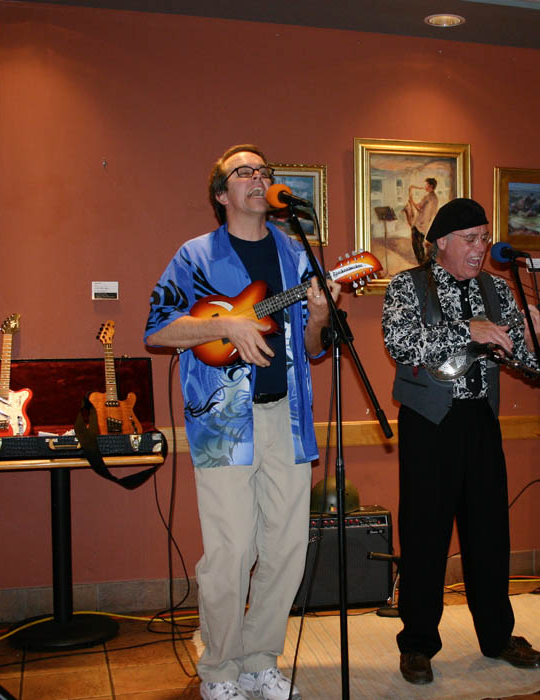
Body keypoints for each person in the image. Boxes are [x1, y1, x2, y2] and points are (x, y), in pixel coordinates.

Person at [144, 144, 339, 700]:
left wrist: (322, 314)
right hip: (223, 423)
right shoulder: (195, 256)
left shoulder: (297, 256)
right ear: (221, 194)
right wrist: (225, 326)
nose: (259, 178)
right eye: (245, 172)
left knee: (286, 546)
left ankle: (259, 660)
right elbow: (157, 331)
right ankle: (221, 669)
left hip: (286, 419)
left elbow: (313, 348)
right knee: (231, 552)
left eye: (265, 171)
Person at [381, 197, 540, 685]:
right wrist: (466, 330)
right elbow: (400, 341)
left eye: (485, 238)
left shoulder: (497, 289)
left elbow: (527, 365)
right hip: (429, 422)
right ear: (442, 244)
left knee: (490, 534)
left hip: (480, 420)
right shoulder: (406, 286)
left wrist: (536, 336)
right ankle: (417, 644)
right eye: (472, 239)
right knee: (425, 535)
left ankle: (497, 636)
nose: (481, 248)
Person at [406, 177, 439, 264]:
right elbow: (433, 212)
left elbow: (418, 207)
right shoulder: (435, 198)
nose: (425, 186)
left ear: (431, 186)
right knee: (420, 243)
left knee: (416, 244)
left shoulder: (427, 197)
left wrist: (411, 200)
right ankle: (423, 261)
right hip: (425, 224)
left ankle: (421, 262)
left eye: (426, 185)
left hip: (419, 224)